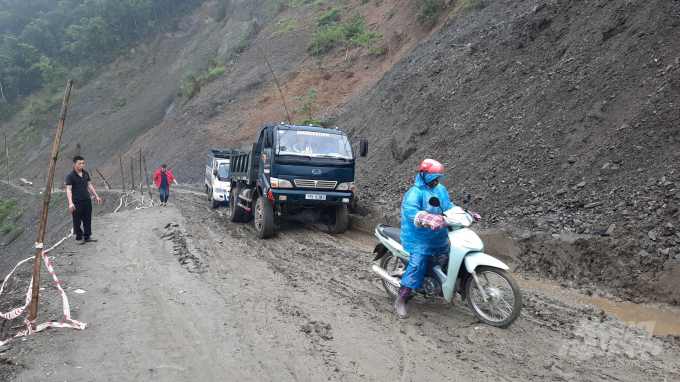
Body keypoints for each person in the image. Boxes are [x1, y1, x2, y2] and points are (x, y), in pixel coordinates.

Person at [396, 159, 454, 318]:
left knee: (448, 258)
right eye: (433, 177)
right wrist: (425, 218)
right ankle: (401, 299)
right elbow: (410, 212)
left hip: (438, 237)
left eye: (438, 178)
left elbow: (448, 206)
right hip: (418, 239)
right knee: (417, 265)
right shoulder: (415, 193)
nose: (435, 181)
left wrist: (462, 213)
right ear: (423, 174)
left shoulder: (441, 190)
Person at [65, 156, 102, 244]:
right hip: (76, 202)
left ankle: (87, 236)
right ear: (74, 164)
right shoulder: (70, 175)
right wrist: (70, 203)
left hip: (86, 200)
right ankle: (79, 237)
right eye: (79, 163)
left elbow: (89, 185)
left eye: (83, 163)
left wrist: (96, 196)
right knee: (77, 221)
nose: (82, 165)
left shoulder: (85, 173)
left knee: (87, 219)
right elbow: (68, 189)